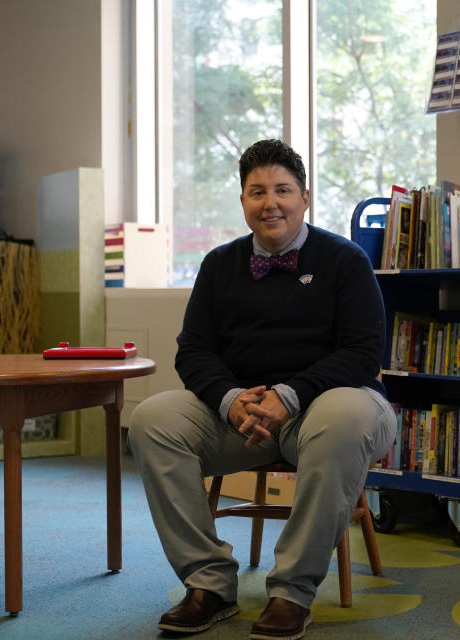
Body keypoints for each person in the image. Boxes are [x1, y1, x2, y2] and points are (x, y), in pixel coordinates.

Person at [128, 139, 396, 639]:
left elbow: (362, 353)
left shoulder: (345, 260)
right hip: (243, 416)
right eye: (257, 192)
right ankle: (208, 584)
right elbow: (194, 352)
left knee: (344, 416)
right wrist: (232, 401)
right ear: (243, 202)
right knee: (151, 419)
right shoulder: (218, 265)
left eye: (282, 190)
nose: (270, 202)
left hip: (326, 411)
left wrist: (288, 395)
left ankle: (291, 592)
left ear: (305, 197)